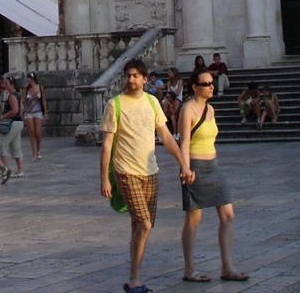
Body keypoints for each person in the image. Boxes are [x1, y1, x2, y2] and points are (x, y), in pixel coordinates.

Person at [100, 58, 194, 293]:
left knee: (140, 225)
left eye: (135, 75)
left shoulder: (153, 103)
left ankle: (134, 277)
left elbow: (167, 137)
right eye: (128, 75)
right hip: (126, 171)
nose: (131, 79)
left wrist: (183, 164)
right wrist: (104, 178)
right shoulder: (115, 104)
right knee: (144, 222)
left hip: (151, 171)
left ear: (144, 78)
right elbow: (107, 146)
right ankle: (134, 280)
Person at [178, 69, 249, 283]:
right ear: (195, 87)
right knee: (194, 218)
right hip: (195, 166)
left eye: (212, 82)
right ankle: (189, 269)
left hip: (213, 165)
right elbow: (184, 142)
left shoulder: (211, 109)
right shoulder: (187, 110)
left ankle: (227, 267)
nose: (211, 86)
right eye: (206, 83)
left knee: (228, 215)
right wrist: (185, 168)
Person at [0, 75, 25, 178]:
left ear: (11, 84)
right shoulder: (18, 94)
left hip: (13, 122)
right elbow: (21, 109)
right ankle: (20, 170)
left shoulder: (12, 96)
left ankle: (5, 170)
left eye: (6, 83)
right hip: (19, 122)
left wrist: (4, 116)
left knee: (2, 144)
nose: (4, 85)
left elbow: (15, 110)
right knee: (15, 146)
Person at [21, 71, 48, 162]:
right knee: (31, 132)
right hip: (29, 112)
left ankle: (38, 149)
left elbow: (43, 100)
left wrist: (46, 112)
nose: (27, 80)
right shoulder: (26, 89)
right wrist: (24, 93)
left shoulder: (40, 88)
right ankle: (34, 152)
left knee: (38, 133)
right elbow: (23, 100)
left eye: (28, 78)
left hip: (38, 111)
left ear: (32, 79)